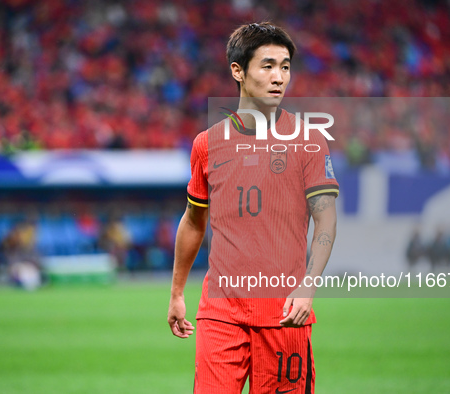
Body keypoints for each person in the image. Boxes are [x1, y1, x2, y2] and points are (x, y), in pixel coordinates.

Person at [167, 22, 338, 394]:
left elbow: (326, 219)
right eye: (268, 66)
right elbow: (194, 221)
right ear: (238, 71)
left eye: (286, 66)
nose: (279, 77)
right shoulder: (207, 144)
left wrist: (308, 287)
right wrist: (177, 292)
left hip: (284, 315)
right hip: (220, 314)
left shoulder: (309, 141)